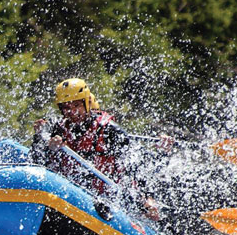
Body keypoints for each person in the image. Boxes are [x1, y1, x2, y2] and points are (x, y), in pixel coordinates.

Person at [33, 78, 173, 217]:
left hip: (110, 198)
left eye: (76, 106)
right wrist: (41, 139)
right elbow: (37, 160)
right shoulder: (58, 128)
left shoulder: (109, 130)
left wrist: (148, 197)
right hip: (74, 193)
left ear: (87, 103)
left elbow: (136, 163)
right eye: (66, 108)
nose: (72, 112)